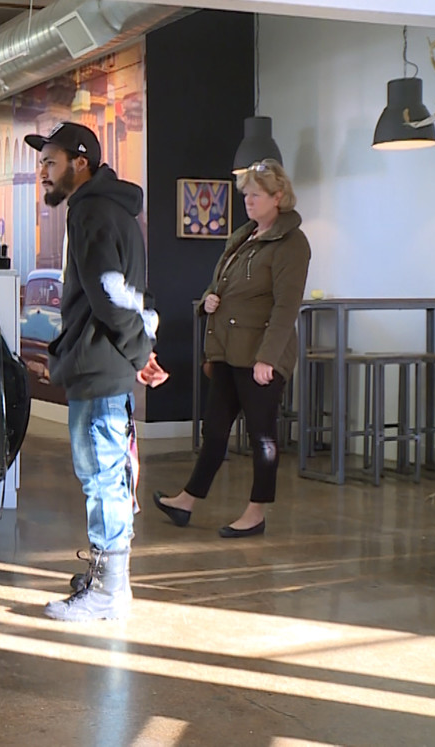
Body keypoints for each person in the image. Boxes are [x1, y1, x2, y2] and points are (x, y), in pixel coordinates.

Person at [24, 122, 168, 622]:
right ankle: (108, 579)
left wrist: (136, 352)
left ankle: (109, 591)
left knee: (103, 476)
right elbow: (122, 294)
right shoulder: (107, 209)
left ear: (79, 162)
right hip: (105, 361)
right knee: (105, 473)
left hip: (101, 365)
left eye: (50, 162)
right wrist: (140, 351)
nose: (42, 172)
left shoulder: (90, 211)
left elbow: (109, 293)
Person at [153, 159, 310, 538]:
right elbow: (219, 283)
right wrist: (209, 299)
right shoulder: (244, 237)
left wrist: (267, 359)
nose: (249, 202)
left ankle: (256, 513)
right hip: (226, 350)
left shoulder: (292, 244)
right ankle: (187, 501)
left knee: (262, 437)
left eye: (256, 195)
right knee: (216, 431)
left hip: (259, 356)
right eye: (246, 195)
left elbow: (286, 307)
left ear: (278, 197)